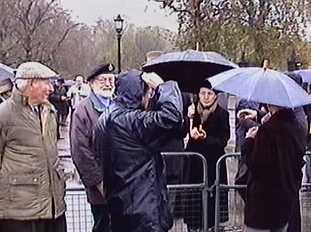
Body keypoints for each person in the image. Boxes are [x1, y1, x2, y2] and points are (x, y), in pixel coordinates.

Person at [94, 70, 183, 232]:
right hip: (142, 211)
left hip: (122, 205)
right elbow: (172, 117)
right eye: (147, 93)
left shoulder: (107, 117)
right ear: (137, 92)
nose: (149, 96)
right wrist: (164, 87)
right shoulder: (128, 120)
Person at [0, 62, 66, 232]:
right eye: (47, 83)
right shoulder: (4, 114)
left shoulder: (50, 112)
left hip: (53, 209)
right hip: (20, 214)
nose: (51, 88)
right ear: (30, 83)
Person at [242, 105, 306, 232]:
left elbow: (256, 164)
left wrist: (248, 141)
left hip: (263, 204)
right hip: (285, 200)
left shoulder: (268, 130)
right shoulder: (296, 127)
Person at [70, 63, 115, 232]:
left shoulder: (118, 105)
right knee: (102, 225)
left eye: (111, 79)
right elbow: (80, 151)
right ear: (91, 83)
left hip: (122, 184)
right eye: (103, 80)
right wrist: (99, 182)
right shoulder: (82, 111)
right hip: (100, 189)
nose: (108, 84)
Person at [184, 79, 230, 231]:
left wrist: (206, 138)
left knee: (212, 198)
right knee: (194, 197)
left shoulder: (222, 114)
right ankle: (193, 226)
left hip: (213, 163)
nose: (206, 96)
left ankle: (211, 225)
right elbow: (183, 132)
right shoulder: (192, 112)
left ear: (215, 96)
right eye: (203, 93)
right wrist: (188, 121)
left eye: (209, 93)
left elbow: (223, 139)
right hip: (195, 163)